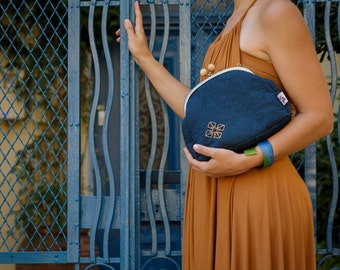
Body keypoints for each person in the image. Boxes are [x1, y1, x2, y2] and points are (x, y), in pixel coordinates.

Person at [116, 0, 334, 269]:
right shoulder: (233, 20)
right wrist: (144, 59)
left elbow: (320, 117)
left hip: (257, 198)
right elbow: (197, 111)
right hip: (212, 199)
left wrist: (250, 158)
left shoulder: (277, 11)